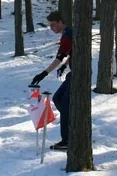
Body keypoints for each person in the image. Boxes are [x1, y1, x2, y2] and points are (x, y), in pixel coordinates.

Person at [31, 11, 72, 150]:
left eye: (53, 25)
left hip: (78, 75)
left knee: (64, 103)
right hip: (73, 73)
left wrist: (43, 73)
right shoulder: (69, 34)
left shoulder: (67, 35)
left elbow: (59, 57)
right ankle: (70, 134)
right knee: (58, 99)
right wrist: (65, 66)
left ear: (61, 22)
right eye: (50, 26)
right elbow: (75, 51)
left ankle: (67, 140)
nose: (52, 28)